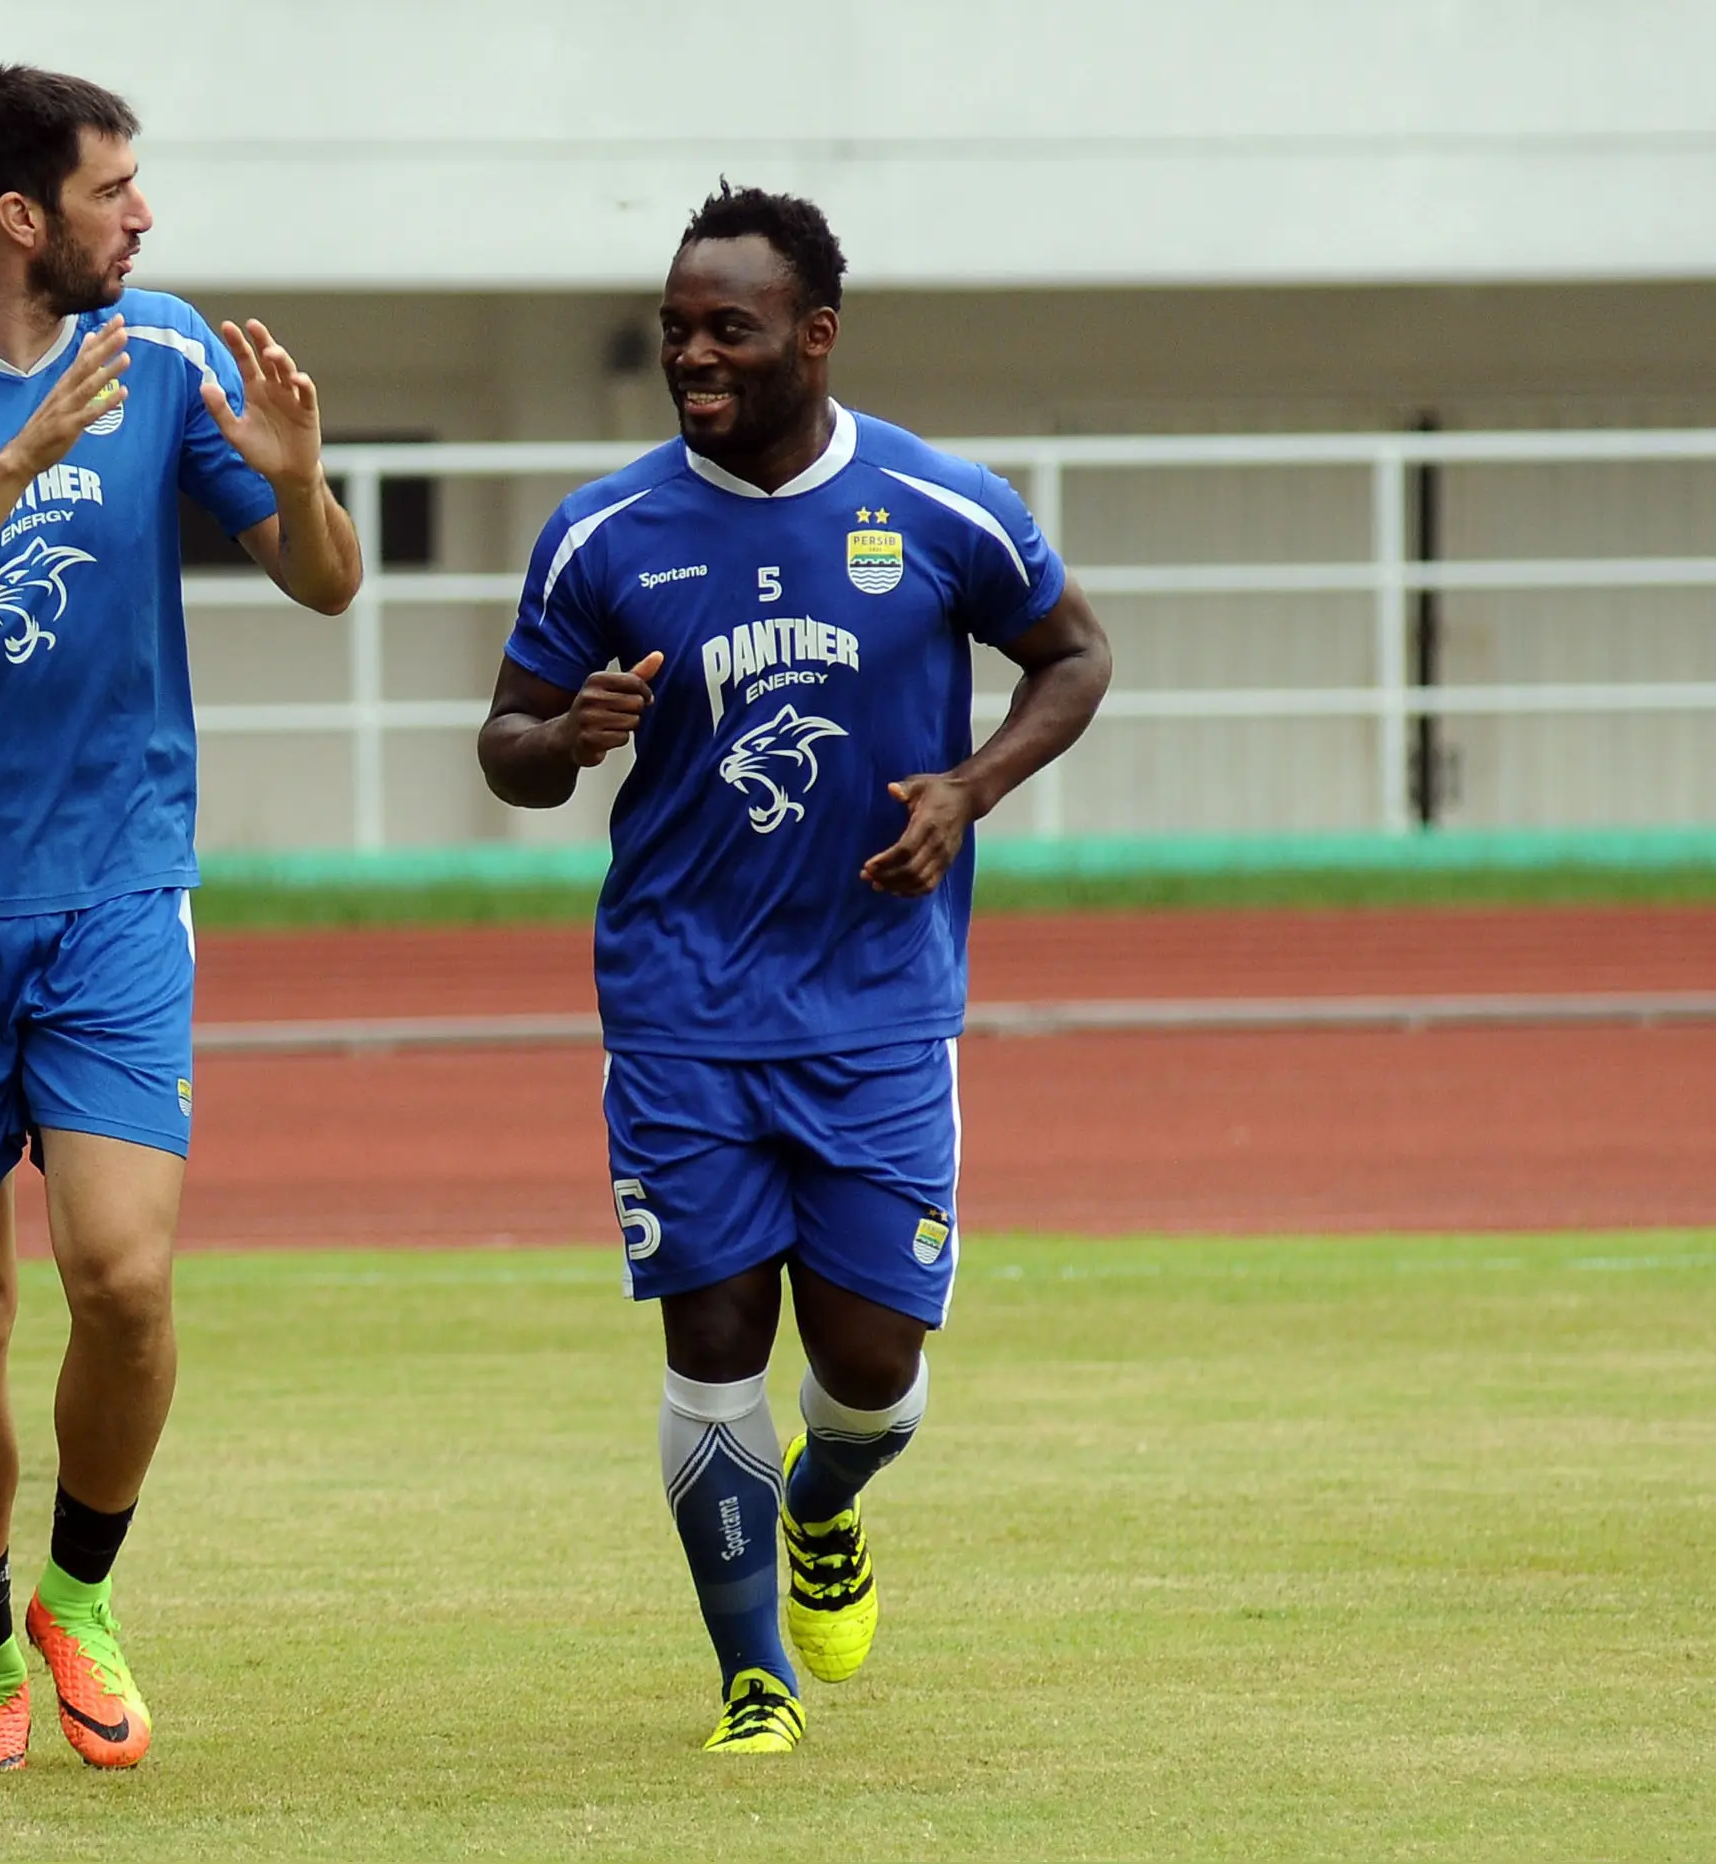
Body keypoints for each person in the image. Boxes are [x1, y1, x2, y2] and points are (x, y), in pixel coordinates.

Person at [476, 184, 1111, 1755]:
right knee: (711, 1344)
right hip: (680, 1007)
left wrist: (971, 790)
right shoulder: (604, 532)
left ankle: (825, 1504)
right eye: (676, 328)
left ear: (814, 337)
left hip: (880, 1007)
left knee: (873, 1372)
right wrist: (564, 739)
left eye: (727, 331)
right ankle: (751, 1678)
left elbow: (1076, 655)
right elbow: (506, 746)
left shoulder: (944, 507)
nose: (691, 355)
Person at [0, 65, 362, 1774]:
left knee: (121, 1276)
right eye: (117, 187)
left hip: (116, 882)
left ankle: (80, 1595)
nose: (146, 216)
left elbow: (327, 585)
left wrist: (305, 480)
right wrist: (21, 455)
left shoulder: (170, 350)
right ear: (24, 215)